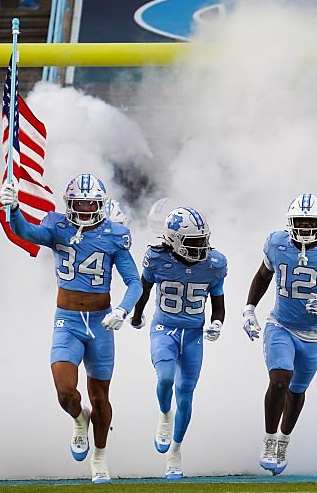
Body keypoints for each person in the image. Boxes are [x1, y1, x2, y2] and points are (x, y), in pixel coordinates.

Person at [0, 174, 142, 484]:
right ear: (69, 204)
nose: (86, 209)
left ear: (101, 205)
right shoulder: (57, 225)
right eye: (79, 203)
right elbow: (27, 232)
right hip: (68, 321)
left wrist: (122, 309)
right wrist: (13, 210)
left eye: (91, 203)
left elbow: (134, 282)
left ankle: (100, 456)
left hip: (101, 322)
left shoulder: (114, 234)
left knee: (101, 397)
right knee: (65, 392)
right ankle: (79, 418)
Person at [242, 194, 317, 475]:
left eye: (310, 221)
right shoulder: (277, 243)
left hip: (312, 335)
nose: (304, 226)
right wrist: (249, 309)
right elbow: (263, 277)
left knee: (296, 390)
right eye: (299, 221)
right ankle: (268, 440)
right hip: (280, 325)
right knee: (280, 380)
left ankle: (283, 440)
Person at [128, 206, 227, 480]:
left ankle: (176, 451)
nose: (201, 248)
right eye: (193, 242)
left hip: (194, 333)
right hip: (165, 328)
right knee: (165, 378)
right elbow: (143, 289)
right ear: (172, 241)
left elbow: (218, 305)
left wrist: (217, 323)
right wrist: (137, 316)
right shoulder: (157, 259)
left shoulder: (214, 263)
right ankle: (164, 416)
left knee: (186, 394)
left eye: (202, 240)